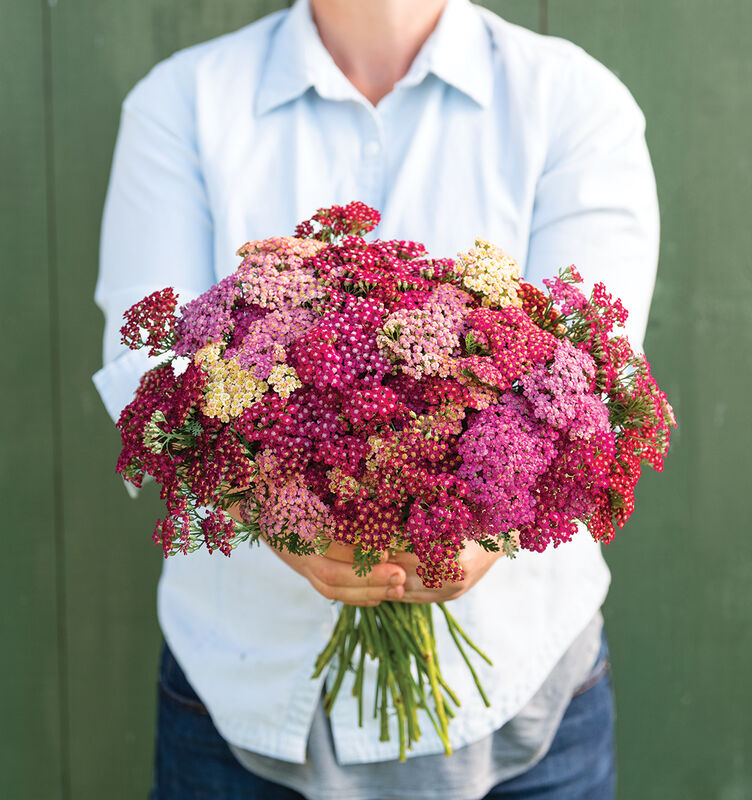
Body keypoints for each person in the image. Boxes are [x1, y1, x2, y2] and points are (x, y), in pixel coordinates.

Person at [93, 0, 659, 797]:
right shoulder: (182, 100)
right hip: (241, 691)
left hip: (519, 695)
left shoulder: (572, 99)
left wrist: (489, 533)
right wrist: (280, 521)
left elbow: (595, 376)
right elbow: (141, 369)